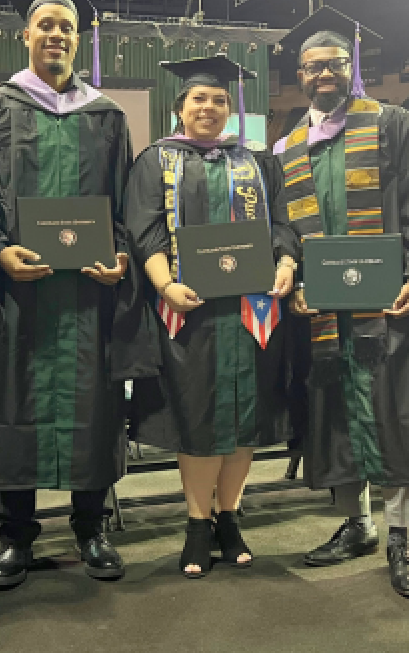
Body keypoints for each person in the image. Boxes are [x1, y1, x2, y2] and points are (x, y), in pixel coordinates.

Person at [0, 0, 154, 589]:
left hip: (88, 295)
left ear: (78, 38)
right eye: (45, 25)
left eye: (67, 27)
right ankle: (14, 536)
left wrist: (120, 255)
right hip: (19, 294)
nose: (57, 35)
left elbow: (123, 203)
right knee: (13, 403)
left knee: (91, 407)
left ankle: (91, 528)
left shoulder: (107, 116)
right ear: (25, 34)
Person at [271, 8, 409, 598]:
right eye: (313, 67)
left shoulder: (391, 122)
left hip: (387, 302)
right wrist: (292, 275)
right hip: (324, 309)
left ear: (351, 68)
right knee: (337, 417)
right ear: (300, 75)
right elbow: (283, 229)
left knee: (398, 418)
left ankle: (401, 536)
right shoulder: (287, 147)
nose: (324, 74)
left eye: (335, 64)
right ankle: (357, 524)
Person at [125, 54, 298, 578]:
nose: (209, 107)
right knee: (198, 419)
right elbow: (145, 231)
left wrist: (286, 262)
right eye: (199, 98)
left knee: (244, 419)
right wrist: (165, 285)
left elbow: (282, 225)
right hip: (190, 311)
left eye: (219, 100)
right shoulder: (156, 160)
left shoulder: (257, 162)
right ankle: (197, 524)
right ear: (180, 107)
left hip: (250, 311)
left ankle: (230, 517)